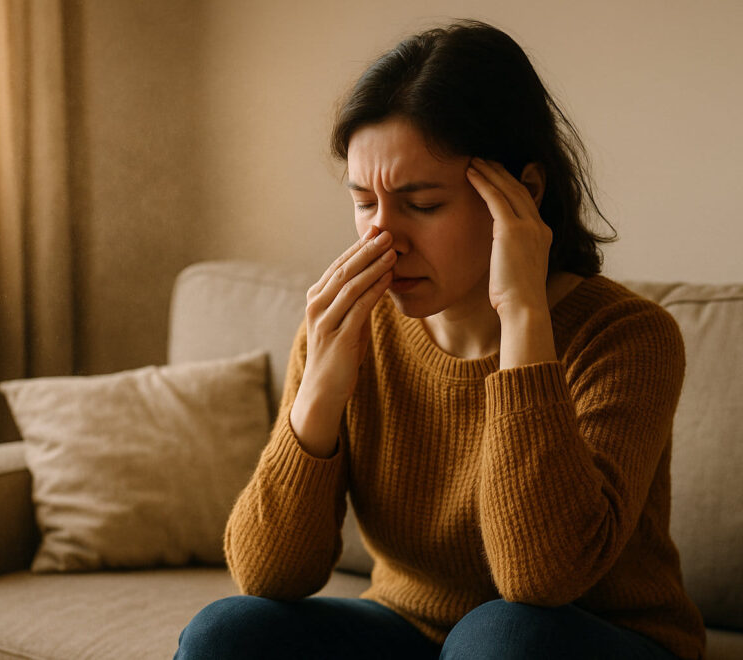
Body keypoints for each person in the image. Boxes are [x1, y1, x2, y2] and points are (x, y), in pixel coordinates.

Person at [174, 19, 705, 660]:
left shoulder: (627, 337)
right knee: (227, 633)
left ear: (524, 193)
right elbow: (268, 576)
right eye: (364, 202)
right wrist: (320, 391)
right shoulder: (349, 327)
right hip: (410, 631)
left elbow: (542, 579)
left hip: (582, 639)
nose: (383, 238)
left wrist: (523, 317)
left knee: (501, 636)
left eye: (422, 205)